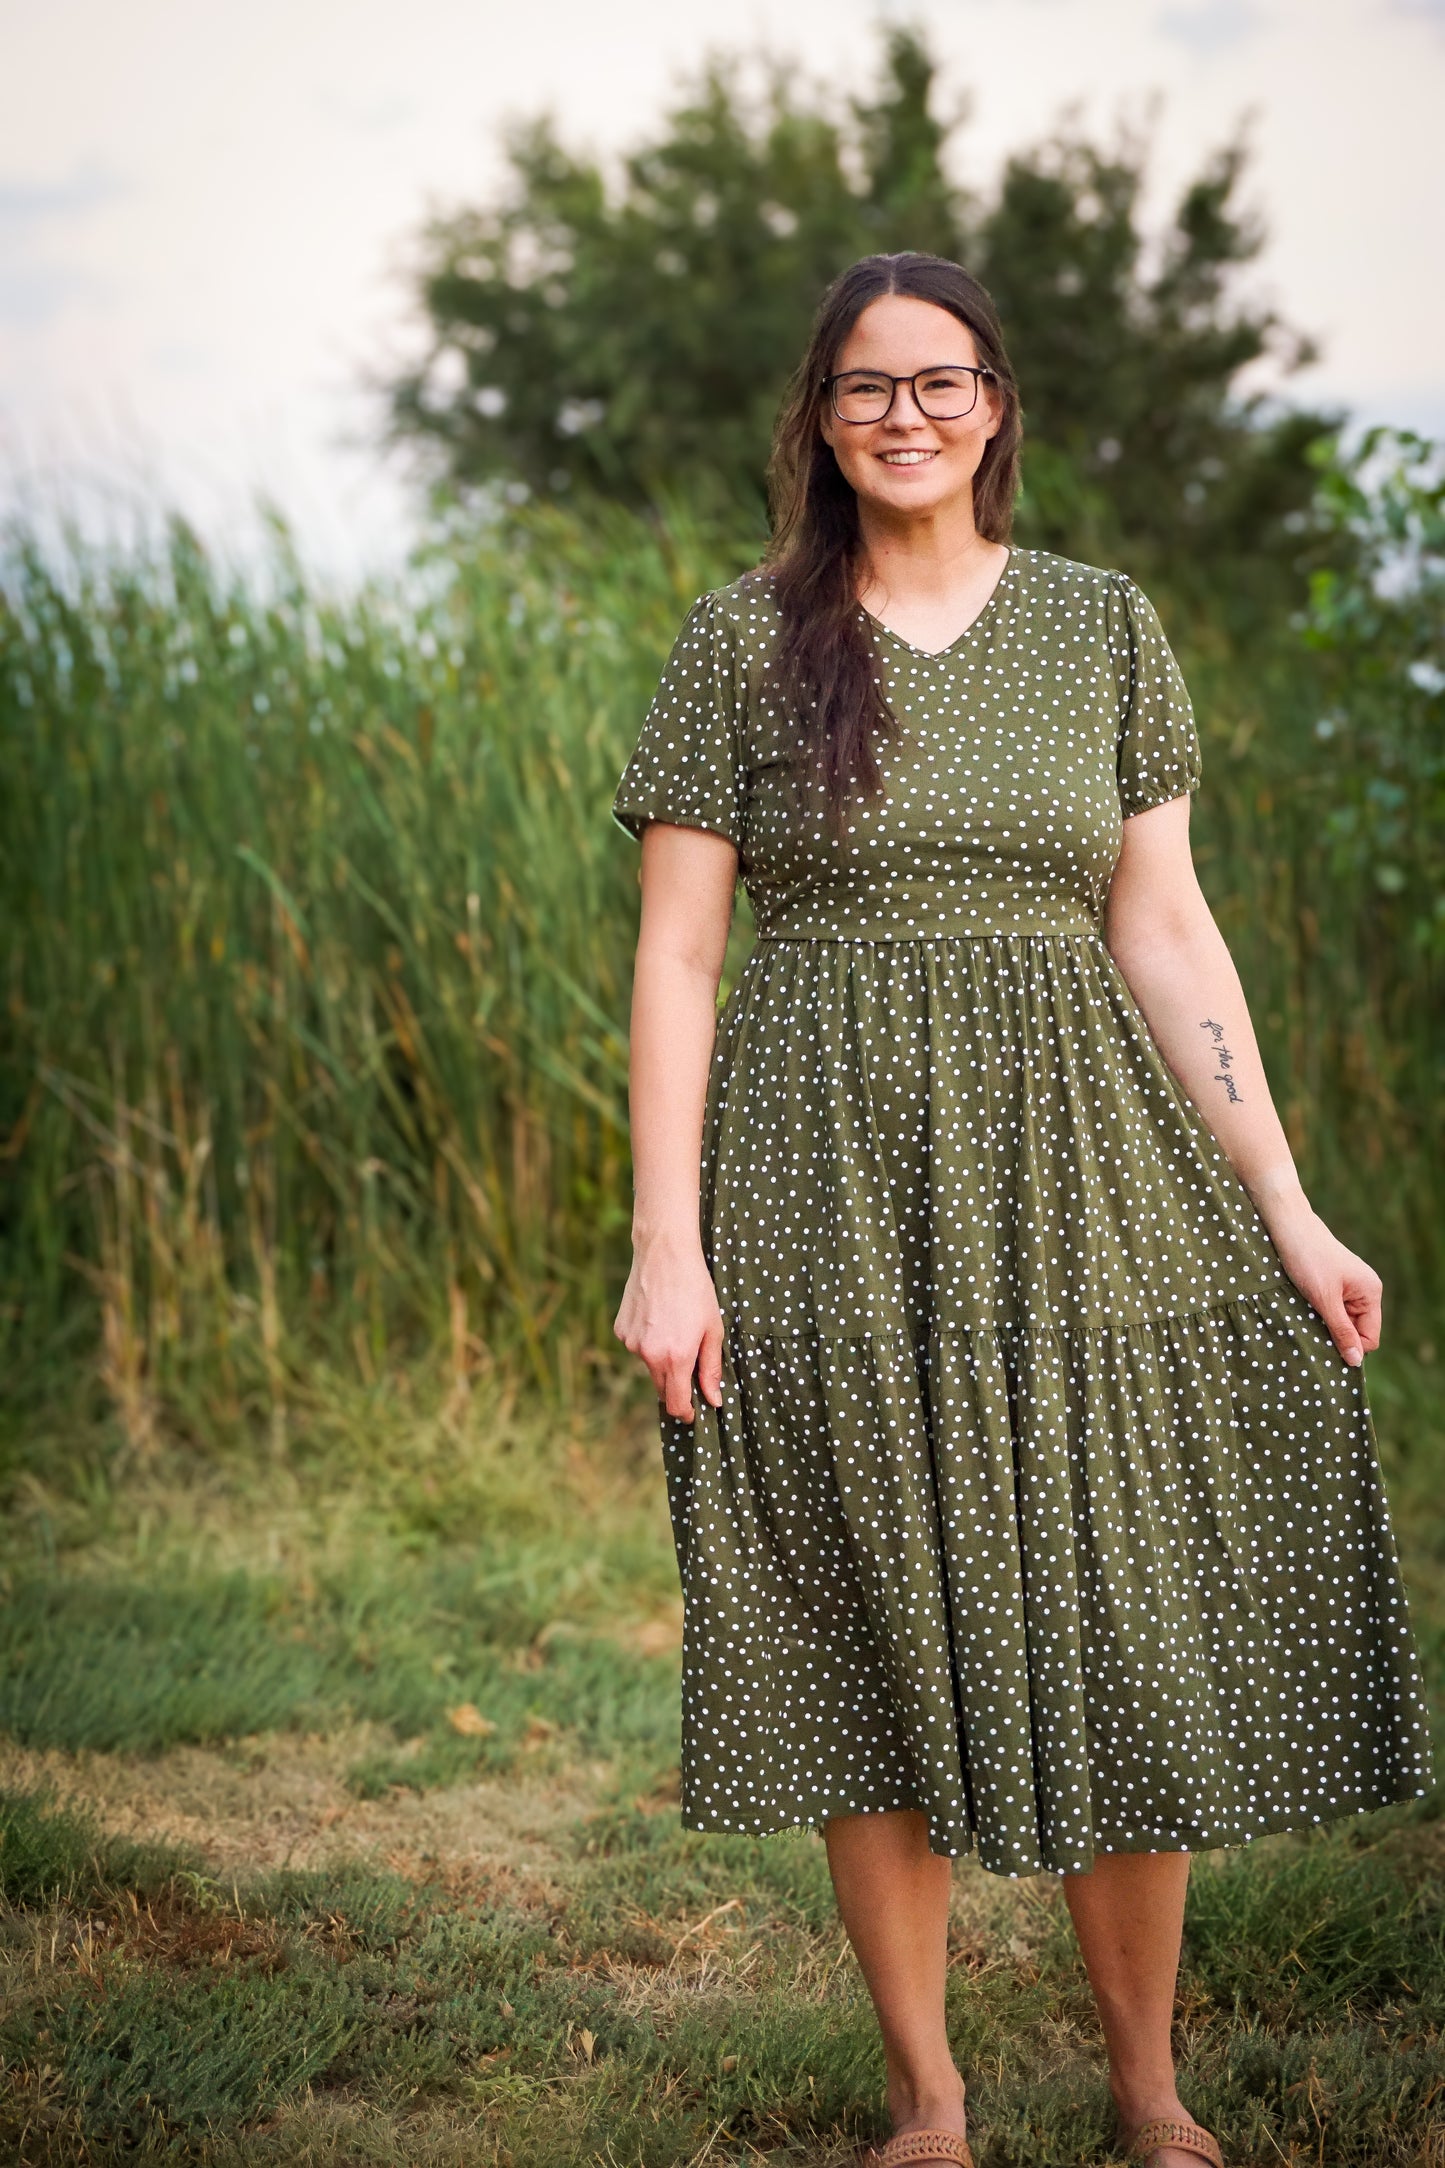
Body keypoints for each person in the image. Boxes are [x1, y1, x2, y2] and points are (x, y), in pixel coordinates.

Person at [609, 252, 1432, 2168]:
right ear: (815, 420)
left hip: (1084, 1181)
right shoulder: (740, 643)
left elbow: (1164, 927)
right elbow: (675, 962)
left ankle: (1149, 2093)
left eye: (941, 382)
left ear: (997, 405)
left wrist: (1288, 1203)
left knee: (1117, 1604)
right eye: (863, 388)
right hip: (818, 1185)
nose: (904, 416)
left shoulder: (1100, 625)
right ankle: (928, 2098)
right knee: (868, 1619)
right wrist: (670, 1239)